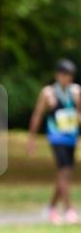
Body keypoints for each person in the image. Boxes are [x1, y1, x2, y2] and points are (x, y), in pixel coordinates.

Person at [28, 58, 80, 224]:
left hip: (72, 137)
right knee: (64, 171)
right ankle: (69, 209)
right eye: (65, 75)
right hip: (56, 137)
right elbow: (37, 114)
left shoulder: (76, 92)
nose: (68, 78)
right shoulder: (48, 93)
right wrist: (31, 138)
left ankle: (50, 208)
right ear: (58, 75)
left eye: (70, 75)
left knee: (65, 173)